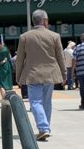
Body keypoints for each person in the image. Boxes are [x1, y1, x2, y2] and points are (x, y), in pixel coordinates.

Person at [15, 9, 66, 141]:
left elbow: (20, 59)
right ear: (44, 21)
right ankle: (45, 127)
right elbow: (60, 57)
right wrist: (64, 74)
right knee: (46, 102)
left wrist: (18, 77)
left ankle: (43, 128)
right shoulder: (55, 36)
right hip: (50, 74)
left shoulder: (24, 37)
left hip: (32, 74)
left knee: (35, 102)